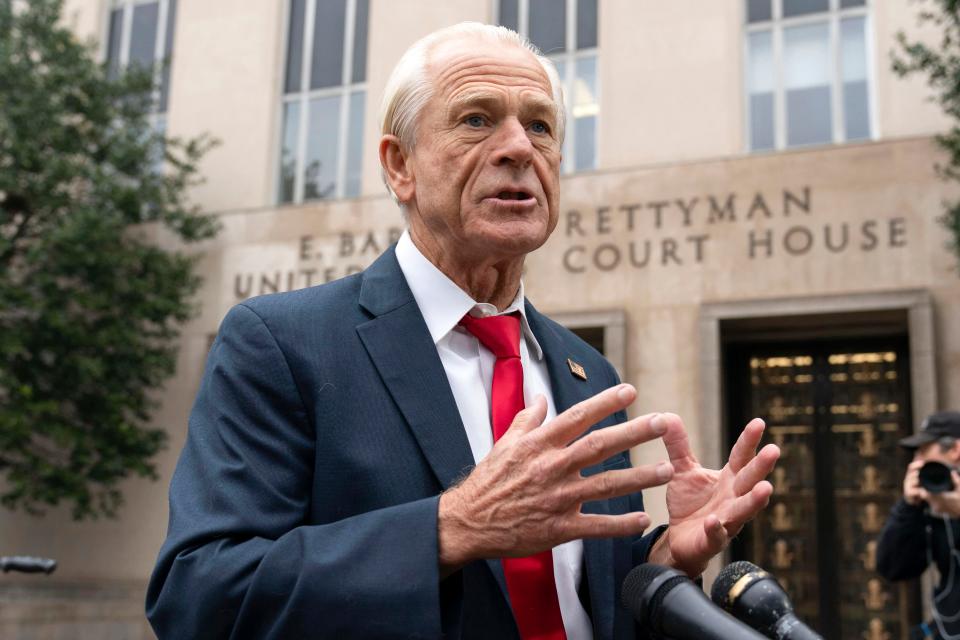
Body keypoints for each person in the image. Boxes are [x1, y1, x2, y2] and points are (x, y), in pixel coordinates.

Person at [145, 23, 779, 639]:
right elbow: (199, 596)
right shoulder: (283, 344)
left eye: (540, 126)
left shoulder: (588, 371)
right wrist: (453, 527)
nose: (519, 149)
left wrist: (665, 561)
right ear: (400, 166)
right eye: (477, 120)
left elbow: (583, 607)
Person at [877, 411, 960, 640]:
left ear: (955, 450)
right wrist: (908, 507)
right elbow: (894, 569)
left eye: (923, 452)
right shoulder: (929, 505)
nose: (916, 462)